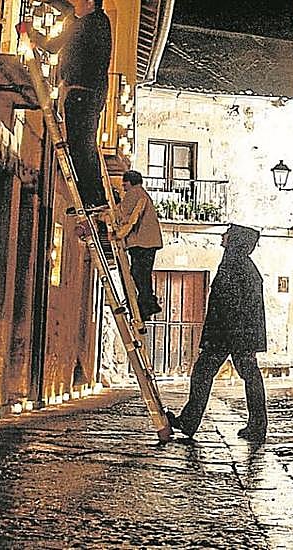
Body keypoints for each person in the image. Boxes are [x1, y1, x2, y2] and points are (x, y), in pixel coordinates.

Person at [166, 224, 268, 442]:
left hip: (229, 335)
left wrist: (218, 336)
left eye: (227, 234)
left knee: (206, 373)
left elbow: (228, 304)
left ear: (235, 240)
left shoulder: (235, 266)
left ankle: (190, 421)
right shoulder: (239, 265)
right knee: (246, 376)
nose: (223, 236)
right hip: (235, 335)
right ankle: (256, 425)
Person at [43, 0, 111, 210]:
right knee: (83, 146)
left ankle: (91, 197)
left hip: (83, 93)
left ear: (90, 3)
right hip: (89, 92)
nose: (75, 4)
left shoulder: (89, 25)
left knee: (80, 146)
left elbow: (55, 45)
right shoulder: (97, 23)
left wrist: (34, 37)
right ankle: (92, 196)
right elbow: (70, 12)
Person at [114, 170, 163, 318]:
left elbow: (125, 215)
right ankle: (148, 306)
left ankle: (147, 306)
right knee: (142, 275)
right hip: (148, 242)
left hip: (142, 242)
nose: (123, 186)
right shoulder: (142, 194)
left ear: (131, 182)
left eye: (125, 182)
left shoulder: (134, 193)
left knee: (138, 273)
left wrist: (118, 232)